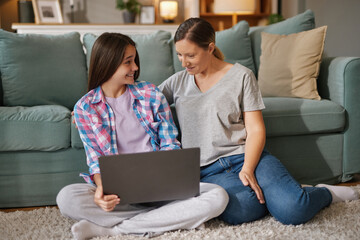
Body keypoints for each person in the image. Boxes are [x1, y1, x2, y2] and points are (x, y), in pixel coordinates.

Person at [159, 18, 359, 226]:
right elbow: (144, 100)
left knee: (294, 210)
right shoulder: (177, 82)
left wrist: (247, 168)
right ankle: (286, 192)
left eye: (190, 55)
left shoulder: (242, 76)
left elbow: (255, 129)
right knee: (243, 210)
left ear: (210, 48)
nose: (184, 62)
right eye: (179, 55)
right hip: (207, 169)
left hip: (247, 157)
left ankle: (323, 193)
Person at [56, 32, 229, 240]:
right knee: (66, 198)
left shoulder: (151, 94)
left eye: (134, 61)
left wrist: (170, 180)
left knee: (218, 196)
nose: (135, 68)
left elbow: (170, 143)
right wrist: (102, 191)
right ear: (108, 64)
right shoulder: (85, 108)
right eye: (128, 62)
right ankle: (166, 219)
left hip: (163, 189)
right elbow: (94, 160)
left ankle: (115, 229)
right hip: (119, 195)